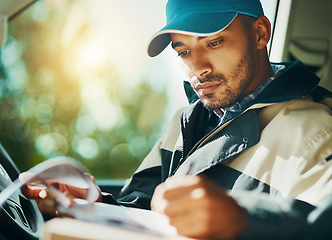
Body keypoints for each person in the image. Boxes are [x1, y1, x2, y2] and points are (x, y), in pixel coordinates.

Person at [21, 0, 332, 239]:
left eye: (213, 42)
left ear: (260, 33)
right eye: (183, 52)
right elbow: (144, 211)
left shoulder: (313, 128)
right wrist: (95, 203)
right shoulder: (185, 121)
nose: (198, 68)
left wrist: (243, 219)